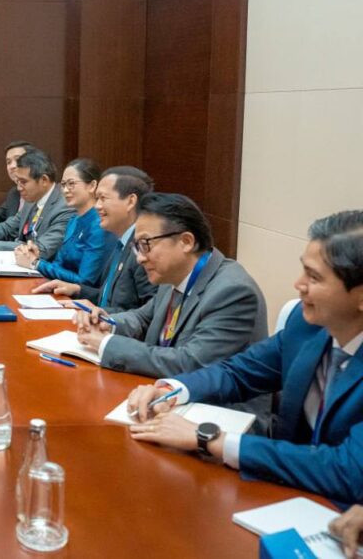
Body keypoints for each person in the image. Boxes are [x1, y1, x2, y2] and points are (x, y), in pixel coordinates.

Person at [125, 210, 363, 506]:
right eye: (303, 270)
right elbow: (238, 373)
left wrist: (210, 439)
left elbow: (349, 470)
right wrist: (171, 390)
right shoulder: (305, 327)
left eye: (314, 277)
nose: (298, 284)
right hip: (285, 492)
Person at [74, 192, 268, 379]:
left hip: (211, 400)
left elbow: (191, 363)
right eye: (137, 247)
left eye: (146, 244)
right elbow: (142, 318)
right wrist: (107, 323)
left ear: (186, 242)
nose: (140, 258)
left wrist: (107, 344)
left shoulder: (232, 292)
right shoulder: (172, 275)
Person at [33, 166, 157, 312]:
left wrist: (102, 314)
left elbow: (150, 315)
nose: (97, 206)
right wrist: (77, 290)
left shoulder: (145, 250)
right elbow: (108, 298)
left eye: (103, 198)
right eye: (97, 199)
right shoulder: (122, 242)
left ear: (130, 201)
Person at [14, 158, 115, 286]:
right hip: (58, 290)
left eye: (71, 184)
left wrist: (36, 263)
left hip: (81, 296)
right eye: (63, 184)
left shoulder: (99, 225)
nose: (66, 190)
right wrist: (36, 258)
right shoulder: (73, 220)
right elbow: (58, 264)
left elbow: (85, 281)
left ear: (92, 186)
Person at [0, 151, 75, 259]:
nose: (19, 188)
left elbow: (40, 248)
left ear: (43, 180)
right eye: (18, 181)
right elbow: (7, 228)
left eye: (23, 182)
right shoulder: (32, 199)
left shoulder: (66, 206)